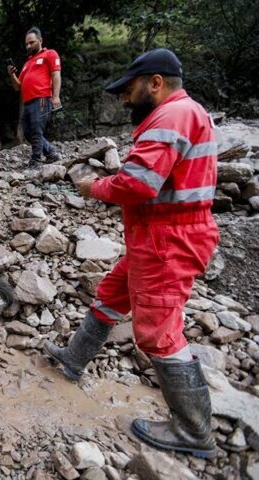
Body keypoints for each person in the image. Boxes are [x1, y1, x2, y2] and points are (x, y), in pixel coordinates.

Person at [43, 49, 219, 459]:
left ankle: (194, 432)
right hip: (159, 236)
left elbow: (138, 184)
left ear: (155, 83)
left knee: (157, 333)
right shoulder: (183, 113)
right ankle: (74, 358)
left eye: (129, 89)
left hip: (169, 239)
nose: (123, 98)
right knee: (110, 293)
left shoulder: (172, 116)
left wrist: (95, 187)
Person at [8, 27, 62, 164]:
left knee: (36, 129)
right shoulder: (27, 63)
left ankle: (36, 159)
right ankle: (51, 153)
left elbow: (56, 75)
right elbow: (17, 86)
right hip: (28, 101)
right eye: (27, 43)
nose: (28, 46)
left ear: (40, 40)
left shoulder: (50, 54)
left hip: (42, 98)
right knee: (27, 132)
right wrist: (12, 74)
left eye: (31, 42)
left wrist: (55, 96)